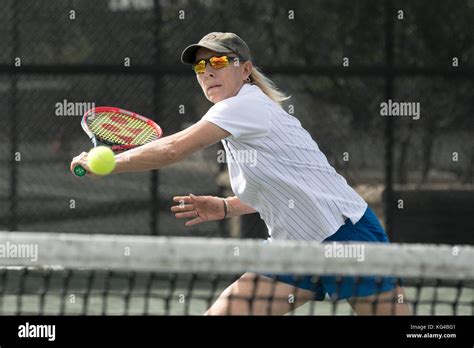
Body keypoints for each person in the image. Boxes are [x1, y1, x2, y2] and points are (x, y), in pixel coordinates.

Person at [71, 32, 411, 315]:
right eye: (200, 67)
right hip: (294, 247)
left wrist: (113, 162)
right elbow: (280, 189)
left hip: (346, 235)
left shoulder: (243, 106)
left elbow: (173, 149)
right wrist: (226, 207)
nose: (207, 72)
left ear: (245, 69)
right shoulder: (236, 120)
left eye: (218, 62)